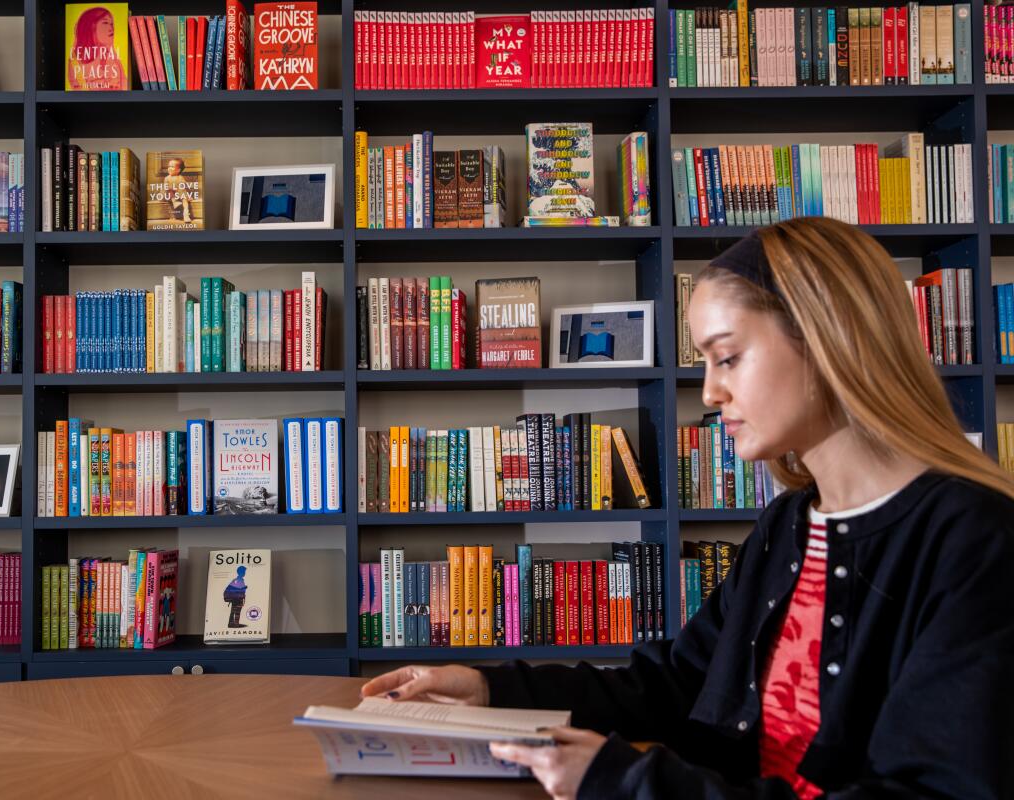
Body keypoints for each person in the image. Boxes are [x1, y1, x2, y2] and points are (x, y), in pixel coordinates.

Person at [361, 217, 1014, 799]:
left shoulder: (976, 540)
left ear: (829, 341)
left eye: (727, 356)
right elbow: (681, 682)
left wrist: (627, 782)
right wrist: (491, 690)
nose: (708, 392)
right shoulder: (788, 525)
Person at [67, 6, 125, 91]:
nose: (111, 29)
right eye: (105, 23)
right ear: (91, 27)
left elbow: (124, 86)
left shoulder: (113, 56)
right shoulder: (75, 62)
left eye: (112, 24)